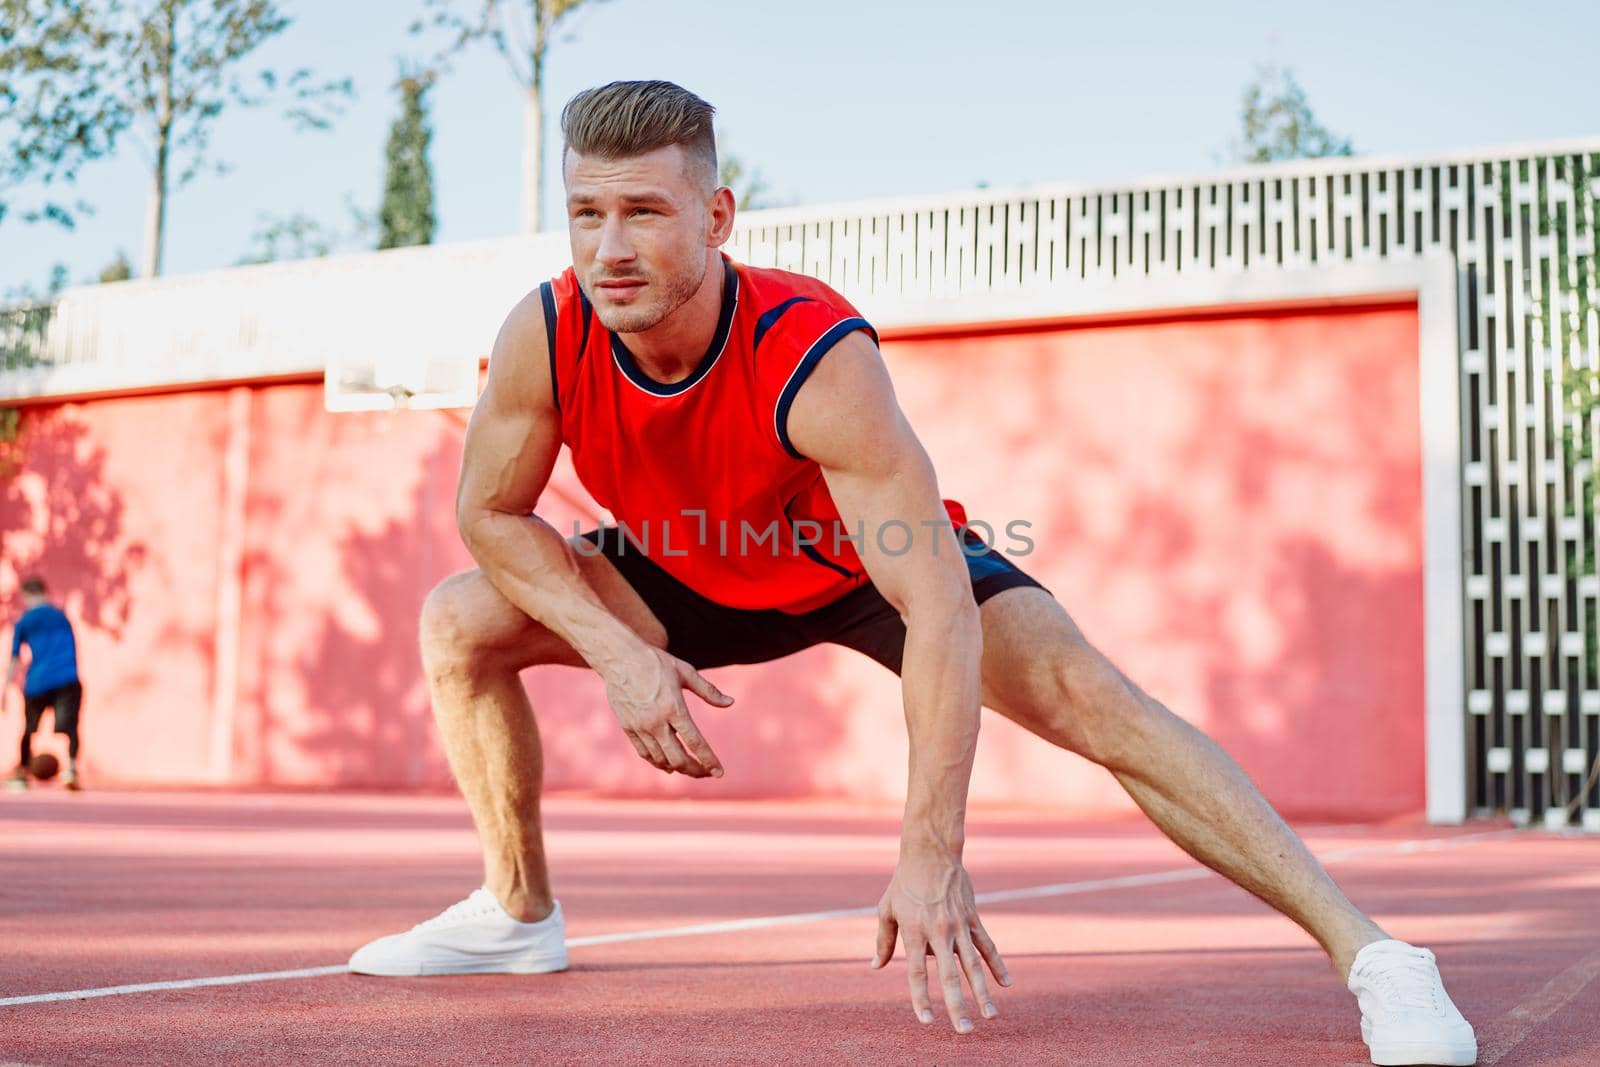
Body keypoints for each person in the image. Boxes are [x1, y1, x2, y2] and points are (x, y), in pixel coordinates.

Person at [349, 80, 1477, 1066]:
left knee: (1097, 699)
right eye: (587, 213)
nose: (611, 247)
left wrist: (930, 851)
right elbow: (486, 512)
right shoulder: (548, 330)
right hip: (688, 564)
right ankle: (516, 911)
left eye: (645, 210)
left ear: (716, 213)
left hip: (864, 566)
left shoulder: (812, 350)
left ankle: (1376, 953)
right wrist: (617, 648)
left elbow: (936, 604)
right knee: (461, 620)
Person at [5, 577, 84, 791]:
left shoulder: (25, 620)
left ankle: (21, 773)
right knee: (70, 726)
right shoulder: (61, 617)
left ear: (27, 596)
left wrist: (5, 689)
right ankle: (71, 768)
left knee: (30, 728)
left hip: (38, 681)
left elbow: (14, 657)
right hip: (67, 678)